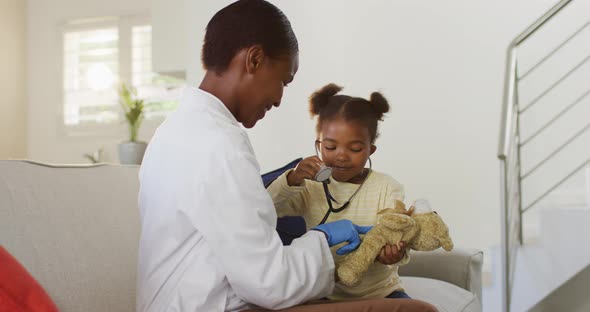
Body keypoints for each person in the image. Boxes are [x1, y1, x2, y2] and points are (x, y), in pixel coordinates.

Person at [136, 1, 437, 312]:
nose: (279, 99)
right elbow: (269, 283)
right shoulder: (219, 144)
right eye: (283, 80)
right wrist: (323, 238)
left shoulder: (174, 131)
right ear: (254, 59)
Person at [267, 83, 433, 307]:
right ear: (319, 144)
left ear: (369, 150)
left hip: (379, 293)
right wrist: (291, 179)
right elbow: (266, 209)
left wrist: (392, 255)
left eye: (354, 149)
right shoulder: (309, 186)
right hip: (322, 294)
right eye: (331, 147)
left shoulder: (387, 187)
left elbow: (398, 235)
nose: (341, 156)